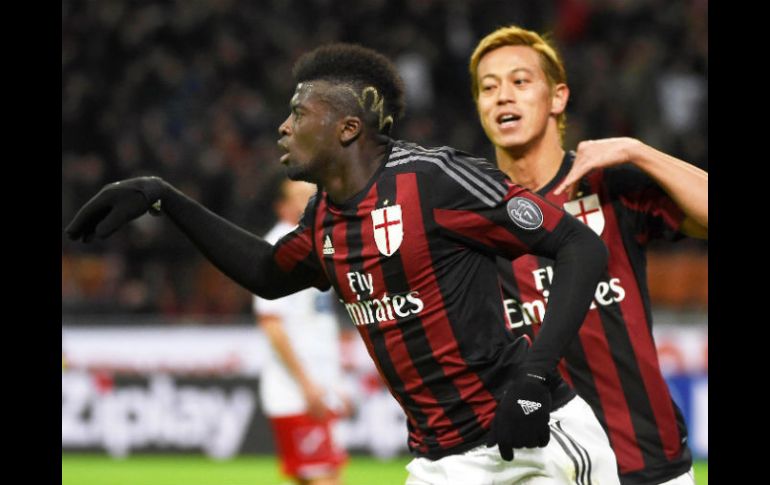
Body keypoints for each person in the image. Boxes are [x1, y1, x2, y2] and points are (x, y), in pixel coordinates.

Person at [66, 43, 620, 484]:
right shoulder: (324, 219)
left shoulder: (434, 179)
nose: (283, 127)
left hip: (533, 440)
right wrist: (164, 197)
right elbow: (266, 273)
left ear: (348, 128)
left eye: (298, 113)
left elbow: (582, 246)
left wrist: (534, 376)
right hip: (441, 462)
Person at [468, 25, 708, 485]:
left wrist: (637, 152)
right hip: (537, 466)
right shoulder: (471, 212)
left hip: (645, 459)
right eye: (489, 87)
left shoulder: (609, 187)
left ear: (557, 98)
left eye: (520, 81)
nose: (503, 96)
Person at [253, 179, 348, 485]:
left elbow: (318, 322)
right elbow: (272, 325)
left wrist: (334, 384)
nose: (309, 202)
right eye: (300, 196)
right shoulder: (279, 249)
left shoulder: (314, 242)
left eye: (312, 195)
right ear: (281, 206)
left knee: (318, 476)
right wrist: (307, 385)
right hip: (298, 391)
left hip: (317, 387)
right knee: (325, 478)